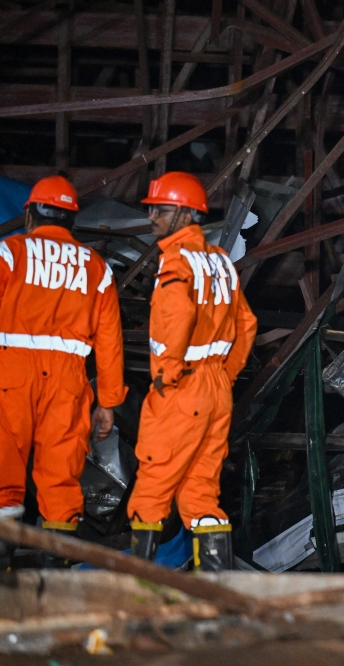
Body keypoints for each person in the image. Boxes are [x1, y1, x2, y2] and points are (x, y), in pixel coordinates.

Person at [127, 172, 257, 571]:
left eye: (160, 211)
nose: (152, 219)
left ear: (185, 215)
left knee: (152, 485)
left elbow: (178, 313)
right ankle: (212, 594)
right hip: (216, 389)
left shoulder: (176, 261)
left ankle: (140, 593)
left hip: (183, 387)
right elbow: (247, 324)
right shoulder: (220, 262)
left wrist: (167, 375)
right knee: (201, 493)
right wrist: (226, 375)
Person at [0, 175, 126, 567]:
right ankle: (54, 575)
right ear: (71, 220)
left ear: (31, 215)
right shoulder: (96, 268)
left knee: (4, 471)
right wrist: (107, 402)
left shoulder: (10, 253)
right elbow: (110, 343)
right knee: (60, 478)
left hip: (11, 375)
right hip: (68, 383)